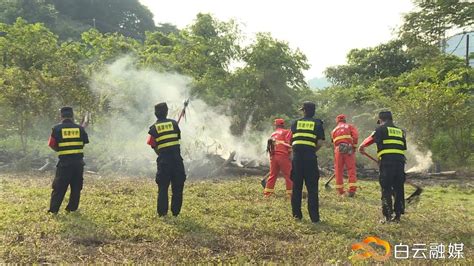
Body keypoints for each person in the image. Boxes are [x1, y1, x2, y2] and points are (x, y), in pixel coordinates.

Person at [358, 111, 407, 223]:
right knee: (399, 188)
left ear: (380, 120)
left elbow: (371, 139)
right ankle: (398, 215)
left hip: (387, 163)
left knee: (386, 188)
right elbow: (402, 147)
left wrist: (362, 146)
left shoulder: (380, 129)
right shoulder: (400, 131)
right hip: (400, 162)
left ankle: (387, 216)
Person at [147, 102, 186, 217]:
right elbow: (177, 137)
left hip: (164, 162)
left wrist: (160, 153)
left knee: (163, 188)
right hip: (177, 161)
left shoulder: (153, 129)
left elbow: (151, 144)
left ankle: (162, 213)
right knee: (178, 187)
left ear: (155, 114)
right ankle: (175, 213)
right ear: (167, 112)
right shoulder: (174, 124)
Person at [47, 107, 89, 214]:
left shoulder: (56, 128)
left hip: (64, 164)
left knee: (59, 187)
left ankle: (53, 210)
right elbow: (83, 143)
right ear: (72, 116)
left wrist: (59, 149)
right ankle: (72, 209)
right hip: (78, 164)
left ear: (61, 116)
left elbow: (51, 144)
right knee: (76, 188)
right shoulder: (80, 129)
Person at [290, 101, 325, 223]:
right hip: (310, 158)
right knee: (312, 189)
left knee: (296, 187)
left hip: (297, 158)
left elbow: (291, 140)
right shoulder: (318, 123)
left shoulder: (295, 123)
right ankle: (314, 218)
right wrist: (311, 150)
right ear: (314, 111)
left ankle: (296, 216)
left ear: (304, 111)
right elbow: (320, 143)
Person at [263, 118, 293, 198]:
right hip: (283, 156)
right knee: (289, 175)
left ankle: (267, 194)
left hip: (273, 157)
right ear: (283, 125)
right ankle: (290, 194)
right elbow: (288, 143)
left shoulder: (273, 134)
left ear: (275, 125)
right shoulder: (287, 132)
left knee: (273, 175)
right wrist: (290, 154)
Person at [331, 114, 359, 197]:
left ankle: (340, 191)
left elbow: (334, 142)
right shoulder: (350, 126)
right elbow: (356, 136)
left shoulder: (334, 130)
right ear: (345, 120)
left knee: (338, 170)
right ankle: (352, 190)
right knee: (351, 169)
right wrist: (354, 146)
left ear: (337, 121)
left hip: (338, 149)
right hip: (348, 147)